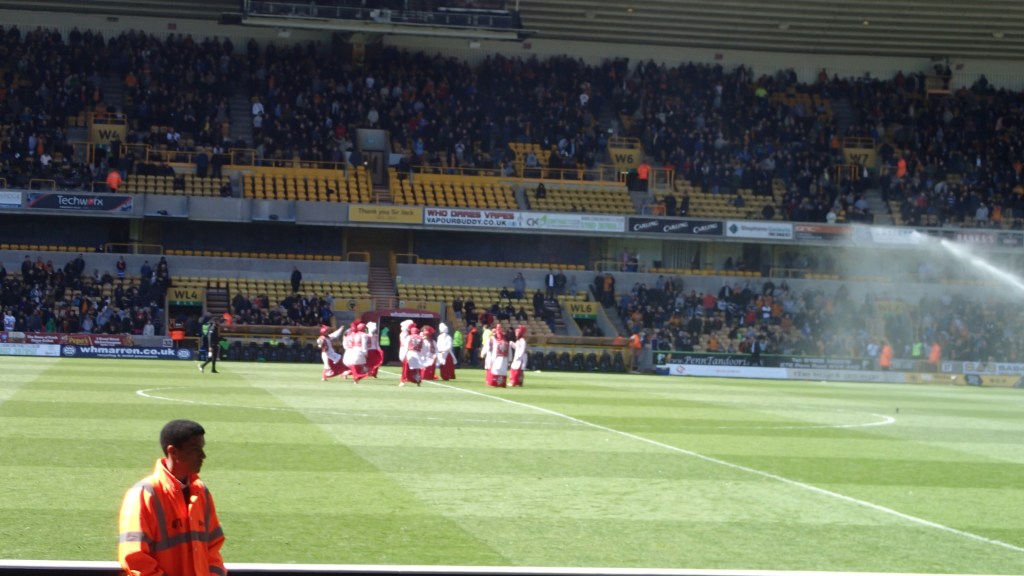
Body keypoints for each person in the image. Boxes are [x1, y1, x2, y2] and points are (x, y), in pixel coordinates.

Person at [118, 419, 225, 576]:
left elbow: (213, 548)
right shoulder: (144, 495)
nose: (203, 456)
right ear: (173, 451)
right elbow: (135, 558)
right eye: (195, 449)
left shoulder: (201, 492)